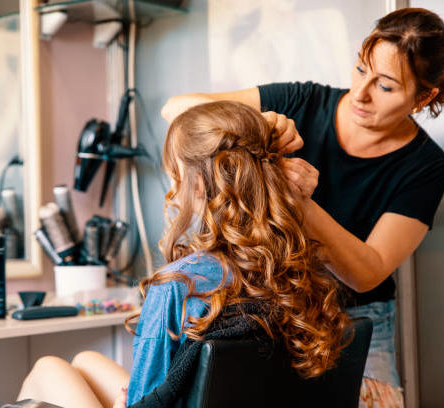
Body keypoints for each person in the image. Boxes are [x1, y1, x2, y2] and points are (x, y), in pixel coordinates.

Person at [161, 7, 444, 407]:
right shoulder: (304, 100)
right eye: (361, 70)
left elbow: (367, 272)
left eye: (385, 86)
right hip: (274, 306)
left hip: (359, 320)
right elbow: (176, 110)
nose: (360, 94)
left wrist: (301, 205)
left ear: (424, 97)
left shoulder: (426, 167)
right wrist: (261, 123)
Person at [16, 101, 350, 408]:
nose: (172, 189)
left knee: (47, 369)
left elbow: (146, 399)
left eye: (175, 175)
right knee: (86, 360)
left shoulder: (179, 282)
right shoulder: (292, 268)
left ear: (200, 184)